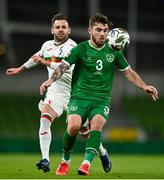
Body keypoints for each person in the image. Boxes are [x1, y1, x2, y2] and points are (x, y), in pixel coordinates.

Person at [40, 12, 158, 176]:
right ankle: (65, 160)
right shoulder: (80, 49)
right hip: (79, 97)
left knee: (96, 126)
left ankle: (86, 164)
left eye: (105, 30)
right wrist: (50, 81)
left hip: (101, 100)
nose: (102, 34)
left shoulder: (114, 51)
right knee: (73, 127)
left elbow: (128, 72)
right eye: (98, 30)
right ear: (90, 30)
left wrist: (144, 86)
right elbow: (63, 67)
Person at [6, 13, 111, 173]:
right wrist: (20, 69)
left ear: (69, 30)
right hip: (55, 93)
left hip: (75, 95)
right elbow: (36, 58)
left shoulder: (74, 47)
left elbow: (65, 67)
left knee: (84, 131)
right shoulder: (47, 45)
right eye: (58, 27)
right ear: (52, 30)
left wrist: (46, 63)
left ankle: (102, 152)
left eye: (64, 27)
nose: (61, 30)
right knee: (45, 118)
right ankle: (45, 159)